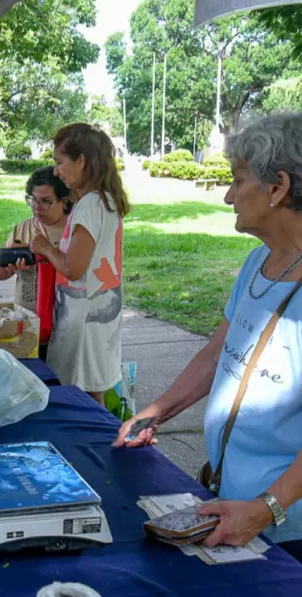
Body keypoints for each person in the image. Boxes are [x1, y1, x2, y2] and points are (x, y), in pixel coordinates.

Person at [114, 113, 302, 561]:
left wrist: (266, 508)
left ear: (277, 187)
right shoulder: (258, 261)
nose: (227, 196)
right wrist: (156, 413)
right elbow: (217, 353)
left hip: (285, 526)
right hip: (233, 508)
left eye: (238, 182)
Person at [30, 124, 129, 404]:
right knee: (92, 395)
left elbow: (73, 268)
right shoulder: (106, 201)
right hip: (99, 315)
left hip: (84, 320)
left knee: (82, 398)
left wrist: (45, 247)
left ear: (81, 161)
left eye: (60, 162)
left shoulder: (89, 205)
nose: (57, 171)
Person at [0, 166, 72, 312]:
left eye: (45, 201)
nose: (37, 207)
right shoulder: (22, 229)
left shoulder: (74, 231)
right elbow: (4, 270)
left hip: (63, 316)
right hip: (27, 316)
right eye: (33, 200)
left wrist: (46, 251)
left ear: (64, 201)